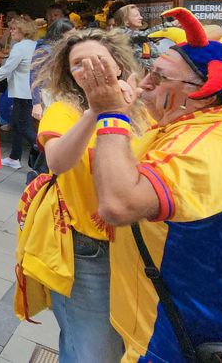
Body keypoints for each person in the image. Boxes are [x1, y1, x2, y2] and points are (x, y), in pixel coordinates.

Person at [73, 7, 222, 361]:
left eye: (158, 78)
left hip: (181, 340)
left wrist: (110, 113)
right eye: (148, 71)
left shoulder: (212, 146)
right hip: (152, 327)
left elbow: (119, 204)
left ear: (202, 92)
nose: (144, 83)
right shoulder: (187, 125)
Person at [19, 29, 136, 361]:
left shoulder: (142, 105)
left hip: (141, 247)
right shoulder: (63, 110)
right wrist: (95, 112)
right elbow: (57, 161)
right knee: (93, 348)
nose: (89, 69)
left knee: (127, 340)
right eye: (78, 65)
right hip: (89, 248)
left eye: (97, 60)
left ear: (117, 64)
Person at [0, 16, 38, 170]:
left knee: (23, 127)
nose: (11, 32)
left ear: (23, 30)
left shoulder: (19, 47)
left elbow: (7, 68)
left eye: (14, 29)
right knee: (18, 124)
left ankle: (48, 152)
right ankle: (14, 157)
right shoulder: (34, 45)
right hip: (30, 91)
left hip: (22, 93)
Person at [29, 18, 76, 122]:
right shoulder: (44, 50)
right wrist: (36, 103)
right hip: (49, 95)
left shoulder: (67, 49)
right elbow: (34, 77)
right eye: (71, 34)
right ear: (61, 34)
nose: (74, 37)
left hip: (65, 93)